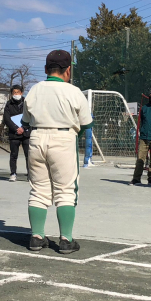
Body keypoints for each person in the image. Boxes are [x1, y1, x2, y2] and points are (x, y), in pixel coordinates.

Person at [22, 50, 93, 254]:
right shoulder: (73, 91)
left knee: (39, 189)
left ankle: (36, 237)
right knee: (65, 190)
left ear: (46, 69)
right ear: (68, 70)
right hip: (63, 138)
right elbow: (87, 123)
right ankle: (66, 240)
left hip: (36, 138)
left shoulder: (34, 89)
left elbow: (25, 120)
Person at [3, 84, 30, 182]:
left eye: (18, 92)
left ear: (21, 93)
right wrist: (16, 128)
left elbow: (31, 116)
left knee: (29, 155)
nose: (16, 94)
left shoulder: (27, 102)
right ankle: (13, 173)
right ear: (11, 93)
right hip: (14, 134)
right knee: (14, 155)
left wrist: (23, 127)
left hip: (26, 133)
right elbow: (6, 119)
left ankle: (30, 174)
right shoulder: (8, 104)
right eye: (14, 92)